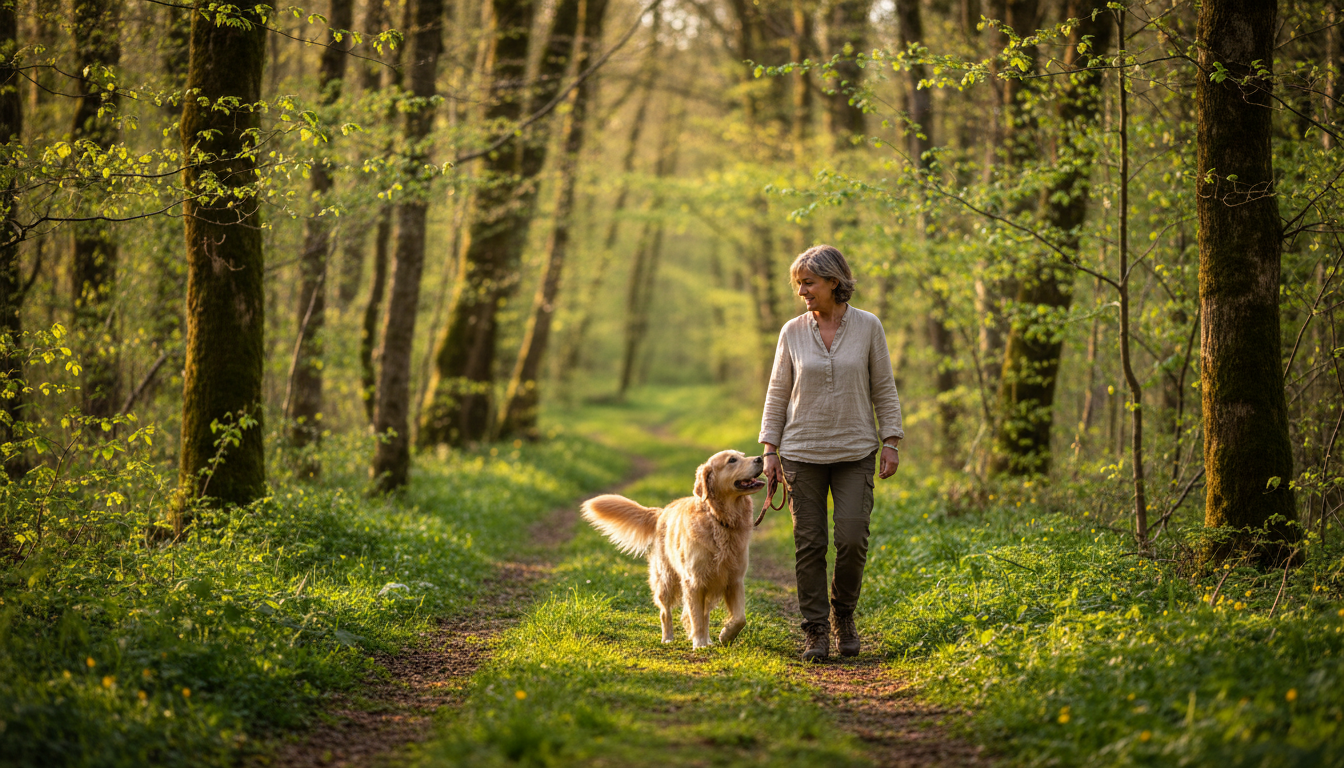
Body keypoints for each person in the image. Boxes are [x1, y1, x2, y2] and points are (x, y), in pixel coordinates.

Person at [759, 244, 903, 661]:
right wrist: (770, 450)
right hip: (801, 452)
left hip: (855, 450)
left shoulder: (869, 326)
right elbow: (777, 393)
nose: (802, 291)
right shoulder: (791, 331)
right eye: (798, 284)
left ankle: (844, 616)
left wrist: (890, 440)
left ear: (834, 282)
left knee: (853, 537)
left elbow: (884, 387)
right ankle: (816, 630)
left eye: (809, 283)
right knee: (809, 544)